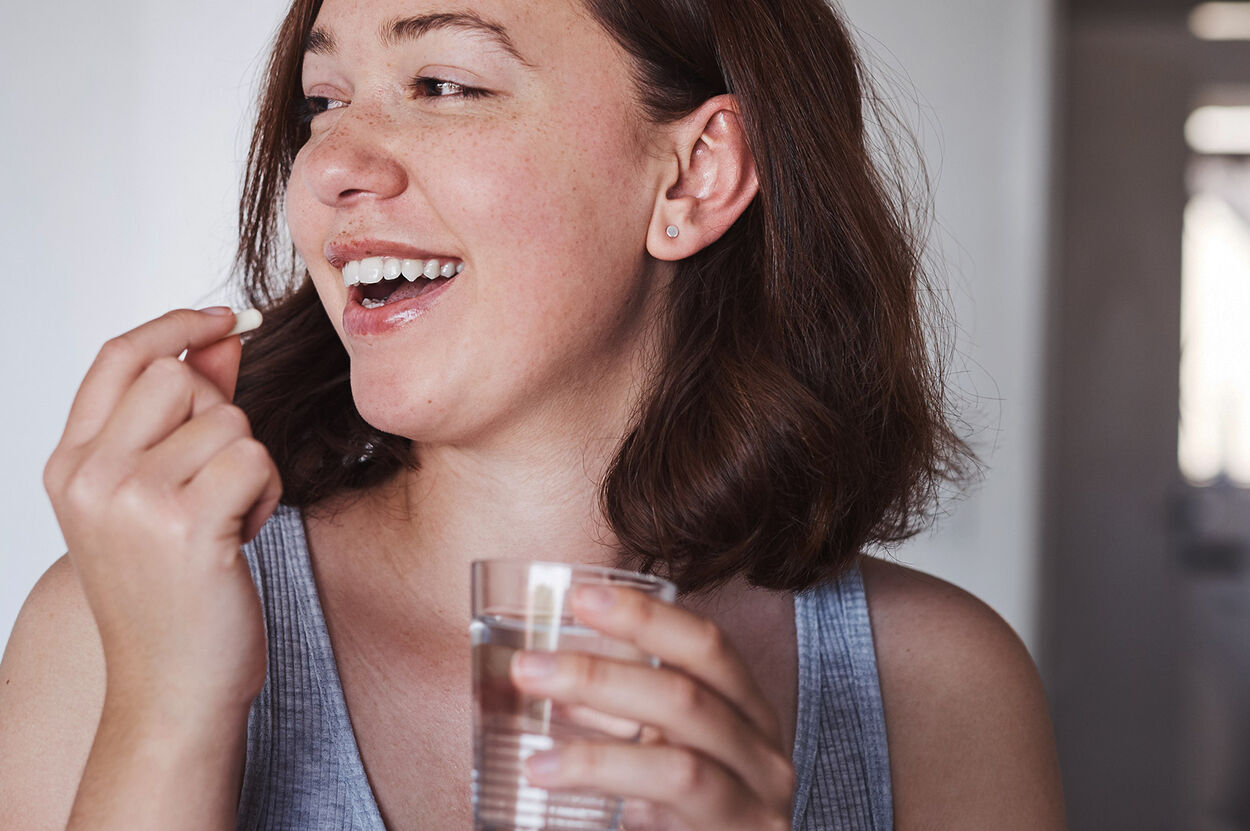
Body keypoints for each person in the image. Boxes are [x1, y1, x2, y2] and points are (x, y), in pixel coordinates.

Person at [0, 0, 1067, 828]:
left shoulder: (938, 690)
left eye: (444, 84)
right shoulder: (114, 631)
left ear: (692, 176)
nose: (328, 165)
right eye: (322, 101)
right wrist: (169, 717)